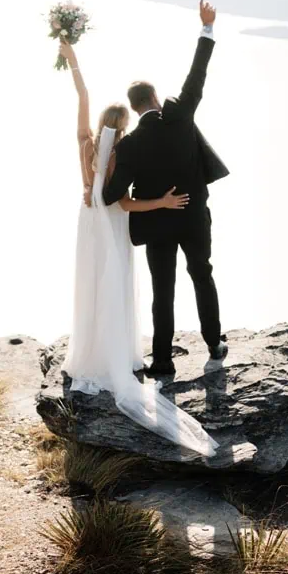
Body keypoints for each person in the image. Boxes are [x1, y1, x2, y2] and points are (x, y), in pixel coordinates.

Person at [58, 38, 217, 457]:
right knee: (136, 284)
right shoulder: (135, 144)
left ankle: (121, 355)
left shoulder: (93, 146)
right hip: (132, 223)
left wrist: (72, 60)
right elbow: (120, 200)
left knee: (102, 286)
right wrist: (162, 201)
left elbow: (82, 98)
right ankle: (188, 346)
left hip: (91, 225)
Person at [104, 0, 228, 377]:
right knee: (202, 274)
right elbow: (197, 75)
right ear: (155, 98)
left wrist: (111, 164)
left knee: (163, 291)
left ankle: (162, 361)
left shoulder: (129, 145)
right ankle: (213, 344)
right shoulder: (180, 113)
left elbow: (112, 197)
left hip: (157, 223)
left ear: (134, 106)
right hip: (192, 214)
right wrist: (206, 27)